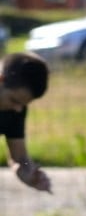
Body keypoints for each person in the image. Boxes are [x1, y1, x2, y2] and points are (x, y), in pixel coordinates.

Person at [1, 52, 52, 193]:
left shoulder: (15, 110)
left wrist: (27, 172)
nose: (18, 109)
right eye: (14, 100)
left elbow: (19, 157)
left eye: (23, 105)